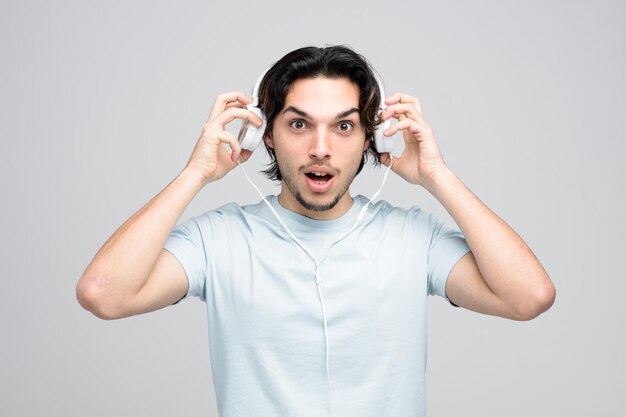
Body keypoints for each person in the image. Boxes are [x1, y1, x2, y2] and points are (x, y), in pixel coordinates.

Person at [76, 45, 555, 417]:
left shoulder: (413, 237)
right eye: (299, 124)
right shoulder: (218, 240)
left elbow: (529, 297)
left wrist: (438, 176)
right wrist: (194, 174)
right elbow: (103, 294)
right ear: (266, 133)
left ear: (371, 137)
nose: (321, 148)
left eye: (344, 127)